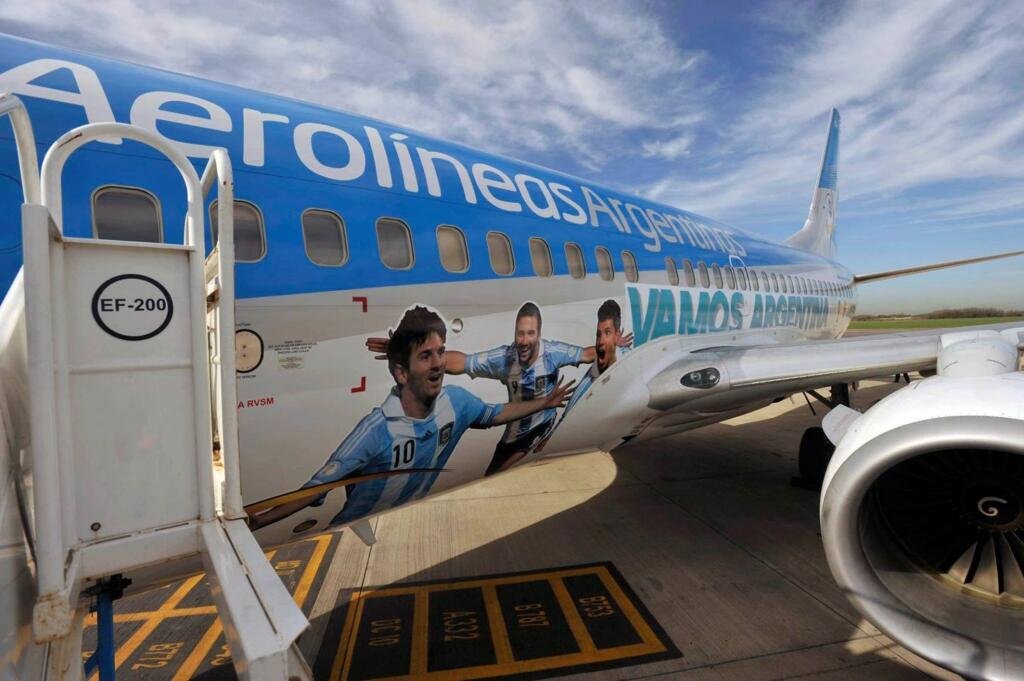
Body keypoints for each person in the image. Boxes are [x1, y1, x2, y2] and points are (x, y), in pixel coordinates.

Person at [249, 306, 574, 529]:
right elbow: (315, 488)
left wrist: (545, 402)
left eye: (440, 352)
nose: (438, 364)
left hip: (400, 526)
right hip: (349, 533)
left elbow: (497, 413)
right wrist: (258, 520)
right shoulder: (376, 431)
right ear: (402, 373)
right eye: (425, 356)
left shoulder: (456, 403)